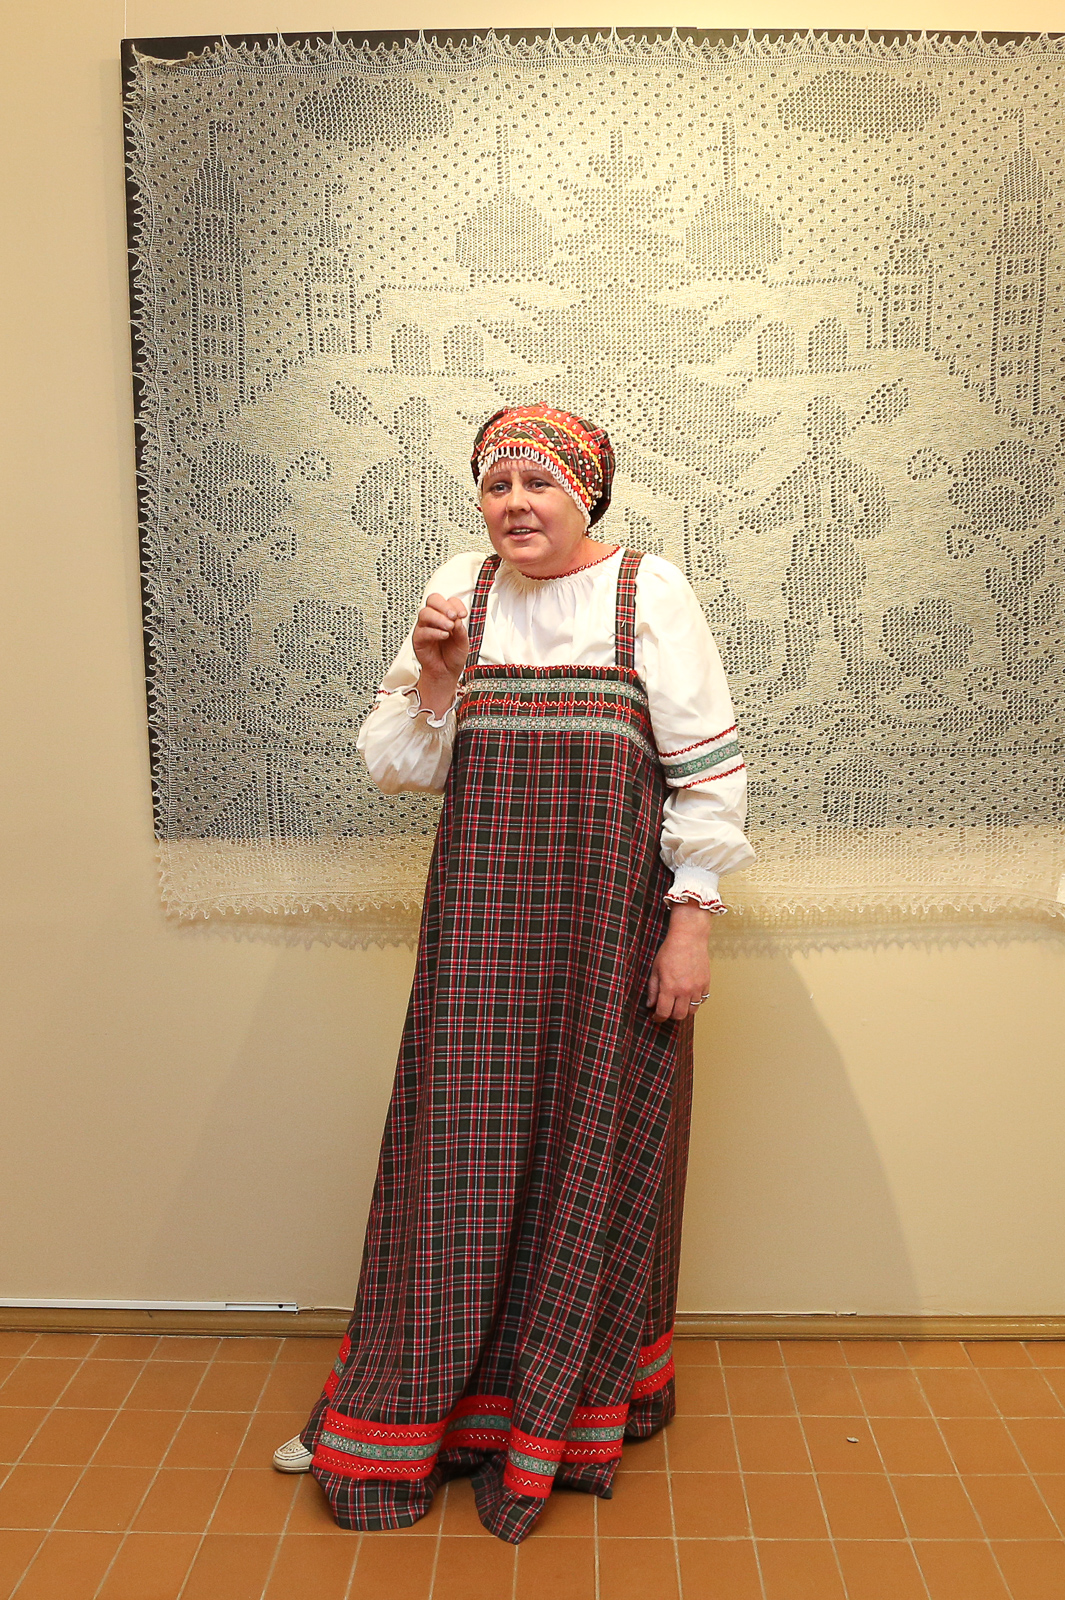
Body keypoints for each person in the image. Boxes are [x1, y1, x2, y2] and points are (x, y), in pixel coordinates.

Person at [273, 403, 753, 1544]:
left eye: (540, 484)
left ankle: (563, 1409)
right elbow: (399, 766)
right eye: (497, 486)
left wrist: (690, 924)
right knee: (453, 1171)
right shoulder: (461, 591)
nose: (515, 505)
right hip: (479, 943)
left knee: (595, 1157)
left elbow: (706, 776)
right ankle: (402, 1409)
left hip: (609, 942)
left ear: (586, 495)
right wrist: (439, 677)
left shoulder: (649, 592)